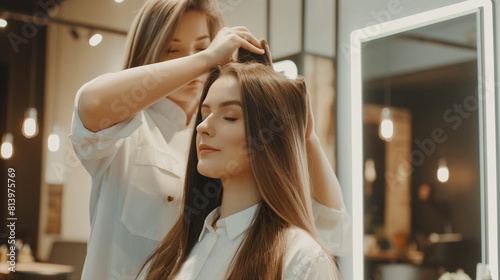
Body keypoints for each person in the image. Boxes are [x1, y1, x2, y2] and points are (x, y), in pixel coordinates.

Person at [69, 0, 349, 279]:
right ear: (147, 52)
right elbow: (91, 103)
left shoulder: (217, 141)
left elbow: (330, 224)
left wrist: (300, 131)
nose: (190, 59)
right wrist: (206, 58)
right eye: (172, 50)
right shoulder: (128, 129)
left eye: (202, 46)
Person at [138, 43, 339, 280]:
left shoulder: (300, 259)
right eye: (204, 115)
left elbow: (335, 221)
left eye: (229, 117)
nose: (203, 127)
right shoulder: (179, 248)